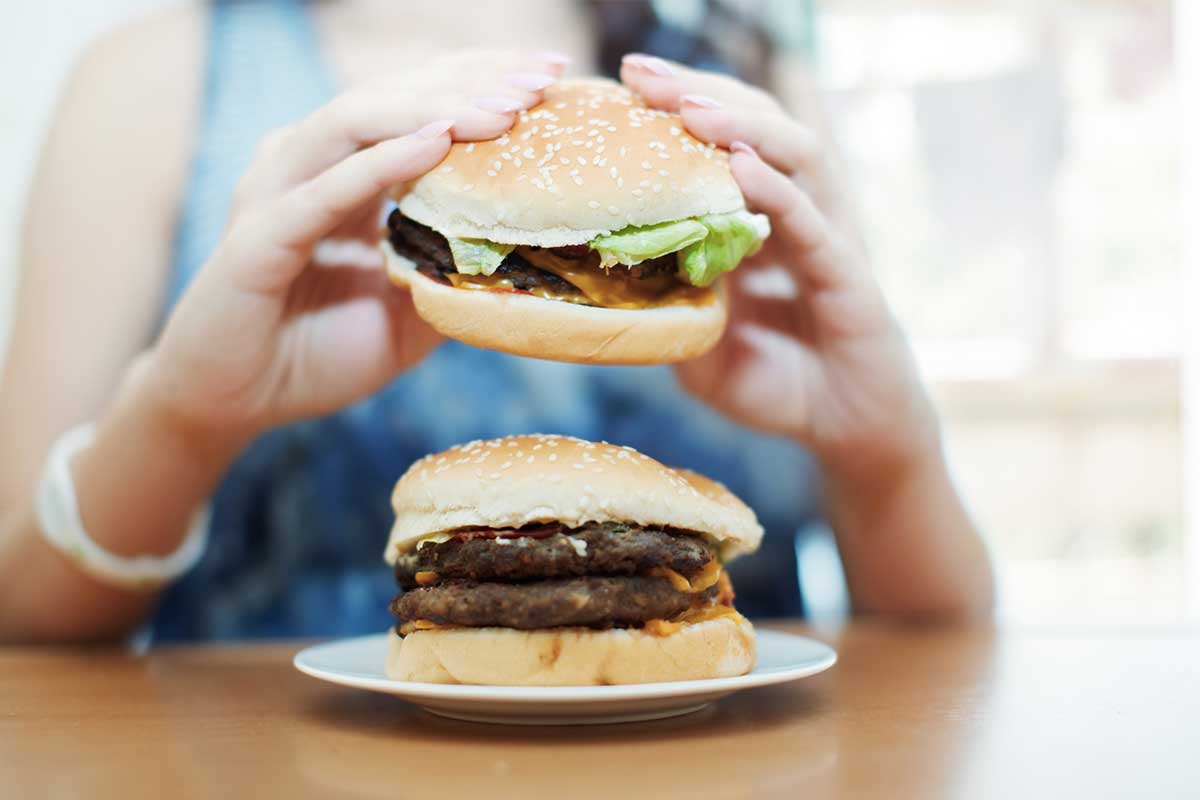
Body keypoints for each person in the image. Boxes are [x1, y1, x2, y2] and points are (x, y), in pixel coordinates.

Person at [0, 0, 993, 642]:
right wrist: (184, 416)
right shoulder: (152, 80)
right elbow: (22, 619)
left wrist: (884, 446)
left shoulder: (743, 80)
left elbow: (945, 656)